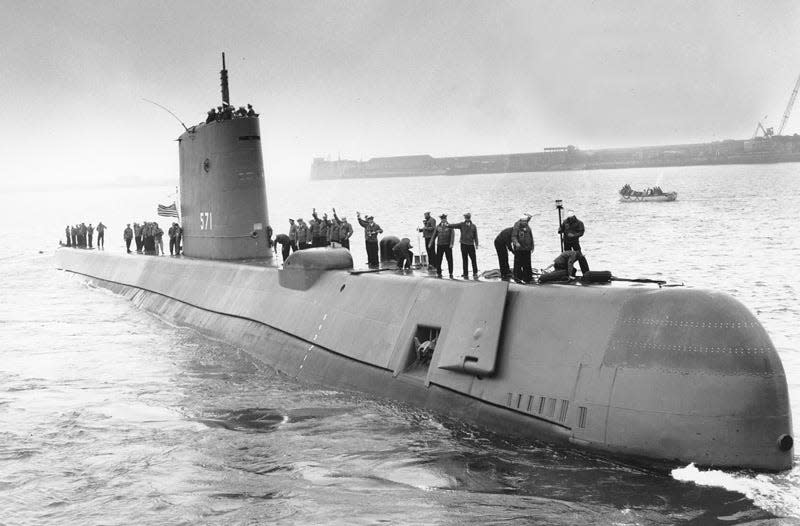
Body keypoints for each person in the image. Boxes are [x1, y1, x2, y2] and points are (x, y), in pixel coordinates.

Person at [448, 212, 479, 278]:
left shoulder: (473, 226)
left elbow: (475, 236)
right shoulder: (462, 224)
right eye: (466, 217)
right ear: (465, 218)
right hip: (463, 244)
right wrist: (448, 225)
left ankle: (475, 272)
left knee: (473, 259)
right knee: (464, 259)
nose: (467, 219)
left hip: (471, 245)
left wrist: (476, 244)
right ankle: (465, 273)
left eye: (468, 217)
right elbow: (454, 225)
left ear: (469, 218)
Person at [511, 213, 534, 283]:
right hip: (520, 249)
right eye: (523, 221)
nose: (524, 222)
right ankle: (518, 278)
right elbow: (513, 236)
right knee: (518, 264)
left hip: (527, 248)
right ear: (520, 221)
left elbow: (530, 236)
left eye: (525, 221)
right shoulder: (517, 225)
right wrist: (516, 243)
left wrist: (532, 246)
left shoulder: (527, 225)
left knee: (527, 264)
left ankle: (528, 278)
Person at [430, 213, 454, 278]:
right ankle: (439, 272)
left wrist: (451, 243)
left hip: (447, 245)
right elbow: (434, 235)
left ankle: (451, 272)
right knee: (439, 259)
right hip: (440, 245)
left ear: (446, 219)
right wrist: (431, 243)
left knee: (449, 259)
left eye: (444, 219)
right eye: (442, 219)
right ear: (441, 219)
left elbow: (452, 235)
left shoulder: (450, 226)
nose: (443, 220)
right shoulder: (438, 226)